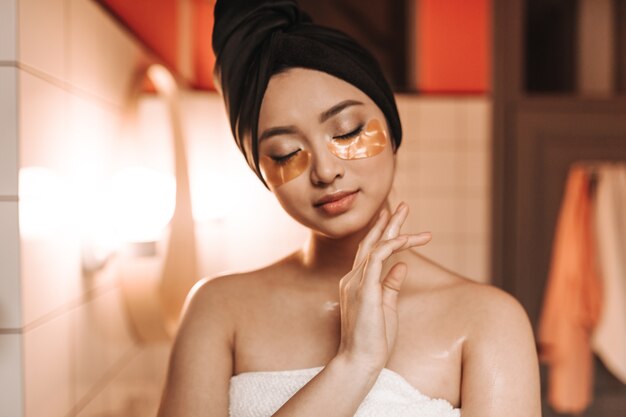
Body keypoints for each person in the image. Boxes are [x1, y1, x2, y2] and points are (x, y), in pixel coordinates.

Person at [157, 1, 541, 416]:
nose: (325, 170)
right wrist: (354, 364)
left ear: (392, 128)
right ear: (263, 174)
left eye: (347, 131)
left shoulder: (488, 321)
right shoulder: (216, 310)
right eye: (286, 153)